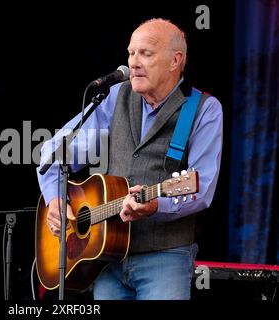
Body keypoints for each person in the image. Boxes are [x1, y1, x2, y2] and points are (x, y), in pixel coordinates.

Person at [36, 18, 223, 300]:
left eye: (145, 54)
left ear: (175, 60)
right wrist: (54, 198)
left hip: (166, 258)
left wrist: (156, 205)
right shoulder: (113, 97)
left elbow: (201, 186)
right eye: (131, 53)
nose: (133, 62)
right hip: (106, 260)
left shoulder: (204, 110)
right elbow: (54, 153)